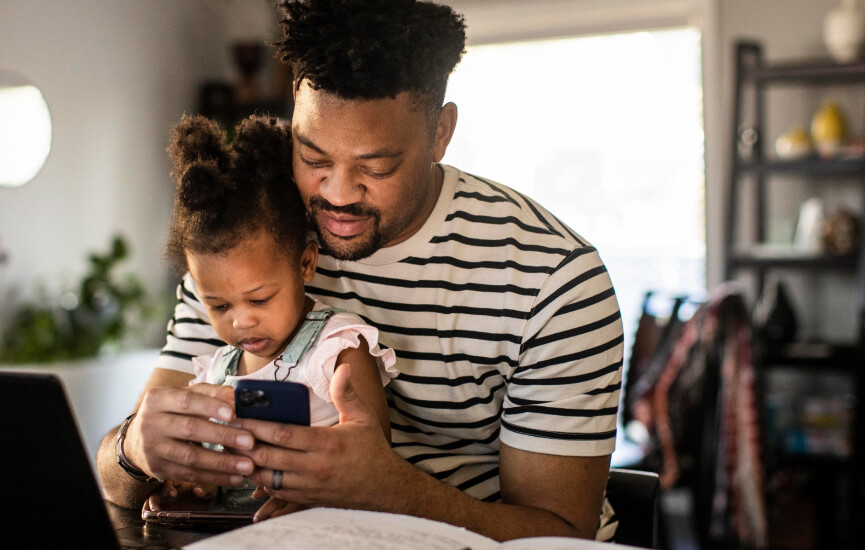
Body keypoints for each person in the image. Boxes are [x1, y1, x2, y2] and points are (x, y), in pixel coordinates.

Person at [97, 0, 624, 541]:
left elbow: (562, 536)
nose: (338, 195)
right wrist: (136, 449)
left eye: (377, 166)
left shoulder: (553, 282)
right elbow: (116, 483)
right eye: (313, 157)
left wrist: (388, 491)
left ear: (441, 132)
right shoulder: (249, 239)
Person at [152, 114, 397, 517]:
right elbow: (212, 468)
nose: (241, 321)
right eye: (219, 306)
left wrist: (319, 494)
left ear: (305, 263)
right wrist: (192, 484)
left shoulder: (337, 350)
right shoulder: (215, 372)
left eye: (260, 300)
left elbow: (374, 465)